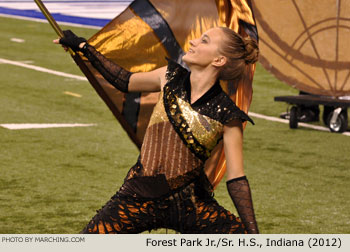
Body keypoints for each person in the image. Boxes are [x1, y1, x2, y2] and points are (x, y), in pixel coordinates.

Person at [54, 26, 259, 234]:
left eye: (204, 40)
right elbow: (124, 81)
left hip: (190, 205)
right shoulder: (169, 77)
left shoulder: (229, 115)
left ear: (219, 60)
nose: (193, 42)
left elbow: (236, 179)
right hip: (137, 196)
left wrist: (253, 234)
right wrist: (84, 47)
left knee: (237, 239)